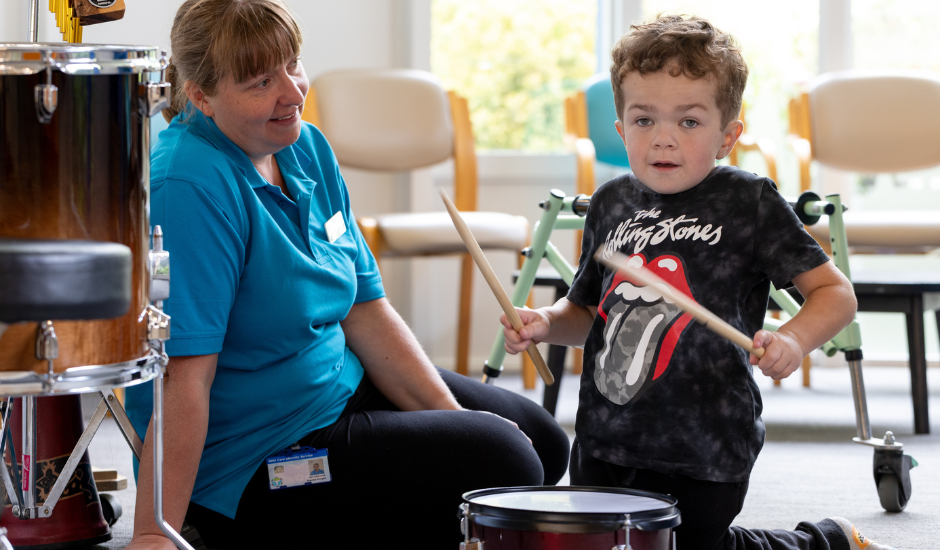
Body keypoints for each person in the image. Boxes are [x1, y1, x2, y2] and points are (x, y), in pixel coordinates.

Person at [123, 1, 570, 548]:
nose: (291, 92)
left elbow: (365, 308)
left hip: (342, 388)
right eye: (262, 81)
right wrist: (154, 531)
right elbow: (183, 378)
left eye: (293, 64)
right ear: (200, 95)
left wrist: (453, 426)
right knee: (506, 463)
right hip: (261, 458)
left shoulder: (304, 146)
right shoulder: (189, 185)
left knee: (543, 444)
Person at [502, 14, 894, 550]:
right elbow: (589, 316)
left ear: (727, 136)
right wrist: (544, 323)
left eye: (688, 122)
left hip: (707, 444)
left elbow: (836, 293)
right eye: (644, 120)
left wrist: (793, 339)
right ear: (621, 128)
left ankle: (821, 541)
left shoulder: (749, 202)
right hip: (605, 438)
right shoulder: (612, 203)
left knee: (698, 546)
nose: (663, 138)